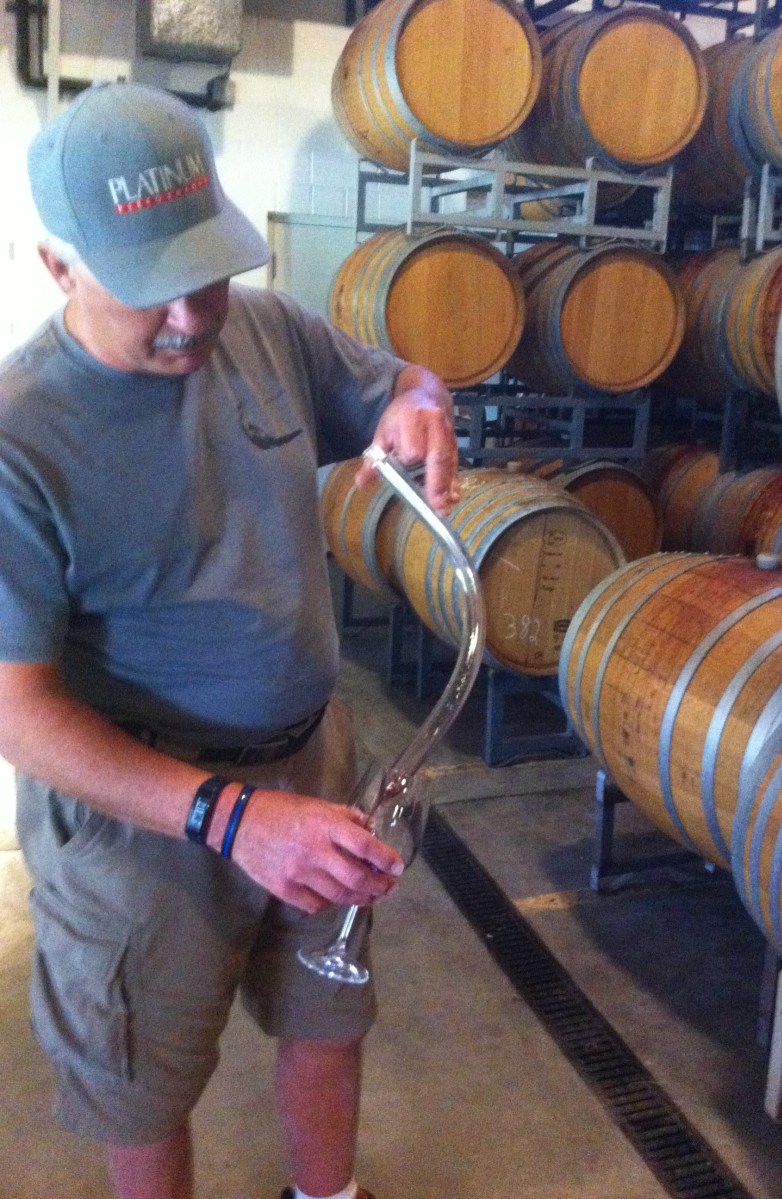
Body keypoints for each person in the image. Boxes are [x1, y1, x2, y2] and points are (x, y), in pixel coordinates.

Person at [0, 81, 459, 1199]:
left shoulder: (264, 329)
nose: (190, 317)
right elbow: (16, 708)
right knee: (142, 1081)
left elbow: (398, 381)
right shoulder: (22, 440)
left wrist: (423, 401)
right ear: (57, 266)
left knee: (328, 1011)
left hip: (313, 762)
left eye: (205, 272)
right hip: (145, 823)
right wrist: (230, 816)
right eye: (150, 288)